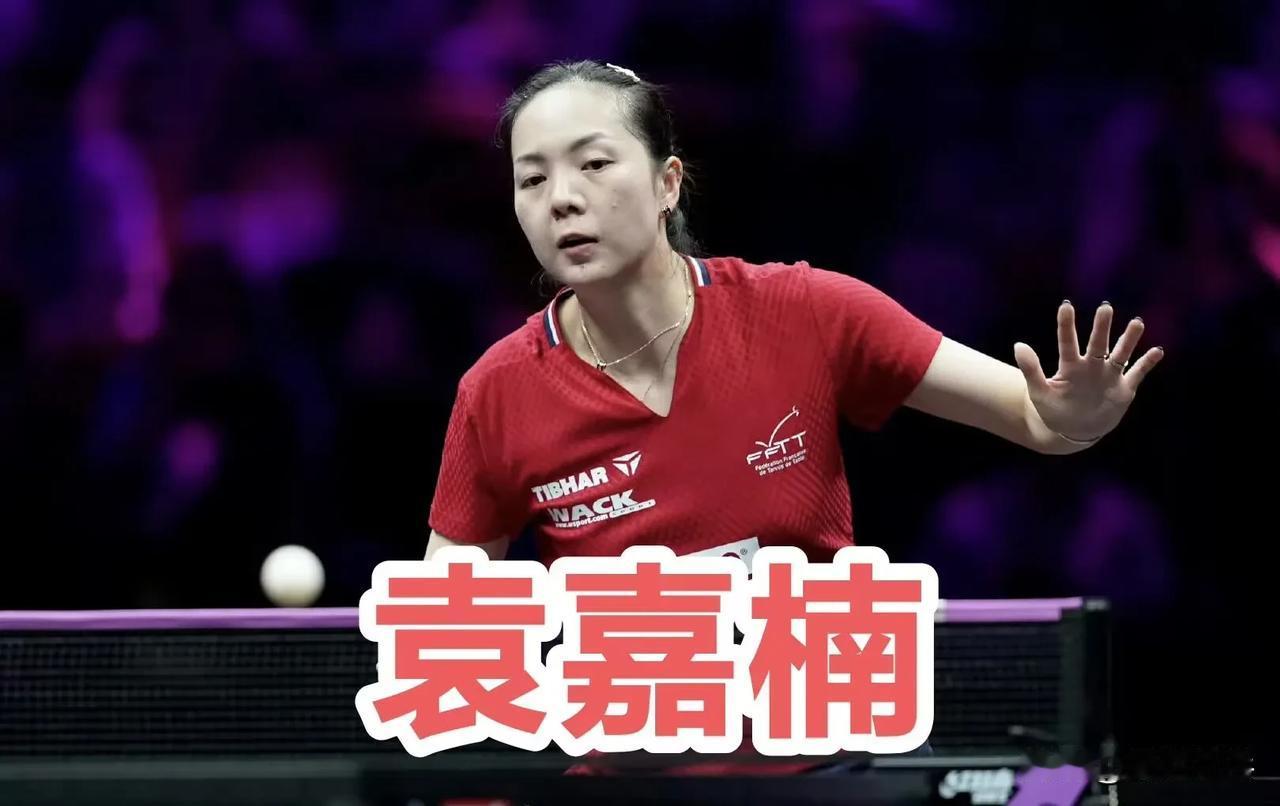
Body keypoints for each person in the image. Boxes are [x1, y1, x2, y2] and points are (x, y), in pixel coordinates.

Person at [423, 58, 1163, 569]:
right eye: (532, 179)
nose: (562, 198)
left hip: (815, 737)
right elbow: (443, 618)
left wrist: (1075, 419)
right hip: (629, 743)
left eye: (594, 163)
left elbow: (1035, 417)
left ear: (668, 183)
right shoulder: (498, 391)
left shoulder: (806, 311)